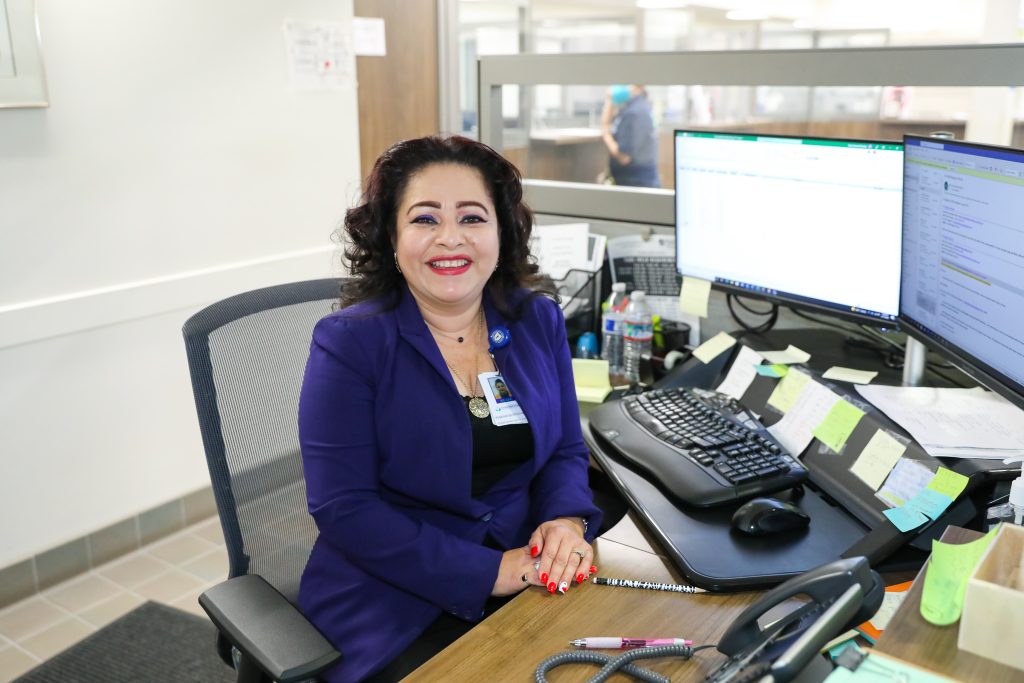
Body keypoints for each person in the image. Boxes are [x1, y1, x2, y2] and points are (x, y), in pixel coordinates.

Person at [297, 135, 603, 682]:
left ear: (501, 232)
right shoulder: (351, 343)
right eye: (424, 220)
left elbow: (563, 446)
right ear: (391, 238)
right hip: (393, 599)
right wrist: (490, 571)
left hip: (530, 568)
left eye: (471, 217)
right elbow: (345, 508)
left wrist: (565, 519)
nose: (450, 239)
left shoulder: (537, 320)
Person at [600, 84, 660, 188]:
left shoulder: (634, 112)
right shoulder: (635, 107)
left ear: (638, 87)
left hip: (636, 181)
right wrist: (610, 102)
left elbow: (624, 157)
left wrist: (605, 131)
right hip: (636, 178)